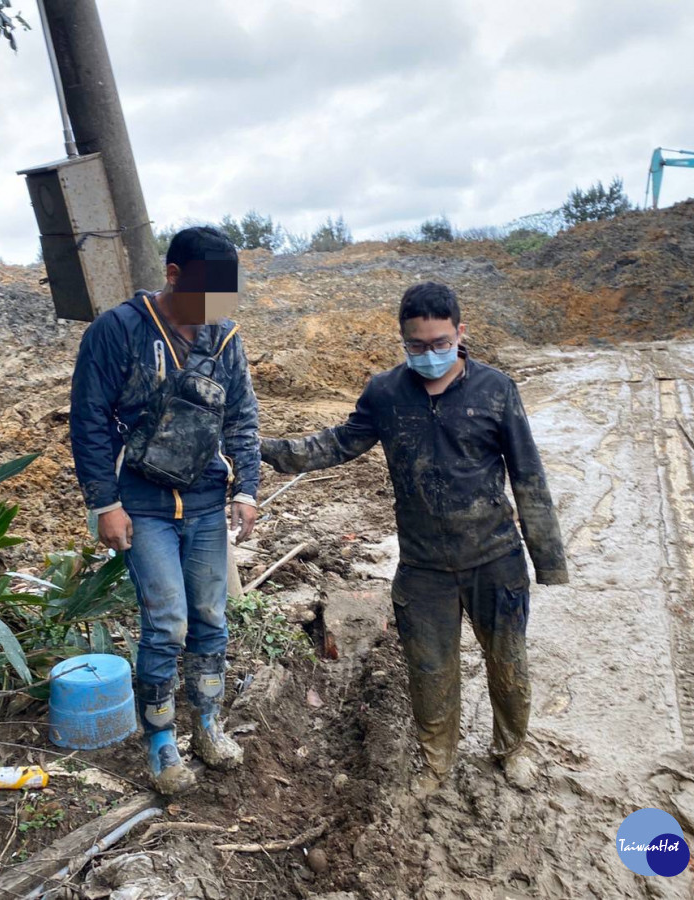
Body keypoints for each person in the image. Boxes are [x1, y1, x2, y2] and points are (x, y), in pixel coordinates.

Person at [260, 281, 567, 795]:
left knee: (508, 662)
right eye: (417, 346)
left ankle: (512, 748)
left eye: (441, 343)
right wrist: (265, 450)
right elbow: (337, 444)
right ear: (403, 340)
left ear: (460, 333)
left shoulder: (496, 389)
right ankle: (436, 762)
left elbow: (528, 475)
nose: (430, 355)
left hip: (495, 559)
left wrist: (548, 560)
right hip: (424, 567)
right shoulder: (385, 393)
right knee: (429, 671)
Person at [69, 226, 260, 795]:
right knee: (167, 622)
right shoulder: (118, 331)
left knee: (210, 616)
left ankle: (205, 721)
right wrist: (105, 504)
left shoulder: (224, 339)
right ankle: (159, 737)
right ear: (173, 276)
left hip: (205, 501)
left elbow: (243, 417)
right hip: (142, 505)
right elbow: (89, 420)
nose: (215, 308)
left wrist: (246, 489)